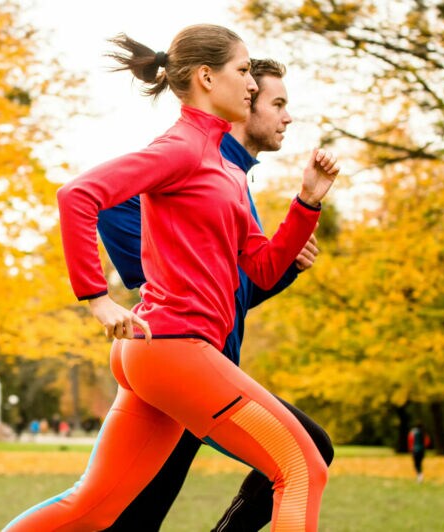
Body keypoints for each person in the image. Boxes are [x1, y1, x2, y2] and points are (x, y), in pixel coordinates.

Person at [4, 24, 338, 532]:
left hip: (161, 352)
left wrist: (306, 203)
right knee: (301, 466)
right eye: (244, 72)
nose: (251, 87)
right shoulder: (182, 148)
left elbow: (263, 267)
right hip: (176, 349)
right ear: (207, 77)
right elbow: (79, 195)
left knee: (92, 508)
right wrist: (98, 297)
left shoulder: (225, 169)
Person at [101, 58, 334, 532]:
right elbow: (108, 203)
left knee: (127, 519)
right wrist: (157, 278)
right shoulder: (194, 161)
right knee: (304, 457)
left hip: (207, 368)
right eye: (277, 103)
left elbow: (228, 293)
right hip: (175, 365)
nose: (287, 117)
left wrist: (283, 270)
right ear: (244, 105)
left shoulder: (233, 178)